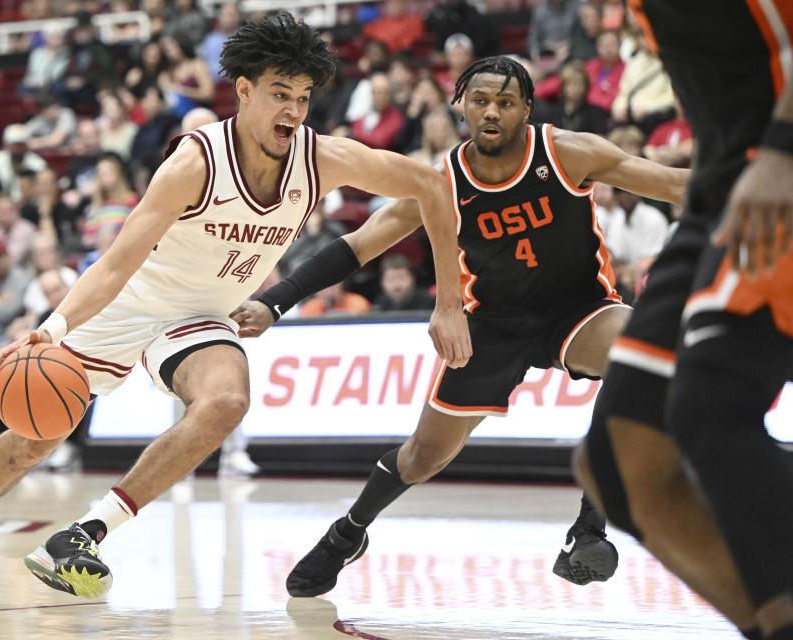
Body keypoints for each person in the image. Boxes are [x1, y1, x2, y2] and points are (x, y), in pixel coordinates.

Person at [0, 12, 472, 608]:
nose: (294, 110)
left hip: (197, 318)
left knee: (227, 400)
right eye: (280, 94)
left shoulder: (321, 159)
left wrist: (449, 302)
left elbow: (431, 186)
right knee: (33, 439)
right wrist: (50, 329)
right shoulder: (195, 163)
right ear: (243, 91)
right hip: (128, 304)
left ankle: (81, 536)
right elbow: (115, 264)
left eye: (303, 97)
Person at [230, 55, 689, 597]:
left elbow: (674, 184)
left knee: (642, 352)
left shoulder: (567, 152)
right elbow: (358, 245)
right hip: (490, 326)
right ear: (461, 105)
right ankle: (348, 532)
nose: (491, 111)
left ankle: (590, 525)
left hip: (580, 310)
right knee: (422, 457)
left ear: (526, 110)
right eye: (480, 100)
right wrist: (276, 302)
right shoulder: (440, 182)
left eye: (505, 102)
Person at [572, 2, 793, 639]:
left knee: (711, 410)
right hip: (721, 184)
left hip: (778, 160)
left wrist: (782, 151)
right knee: (618, 460)